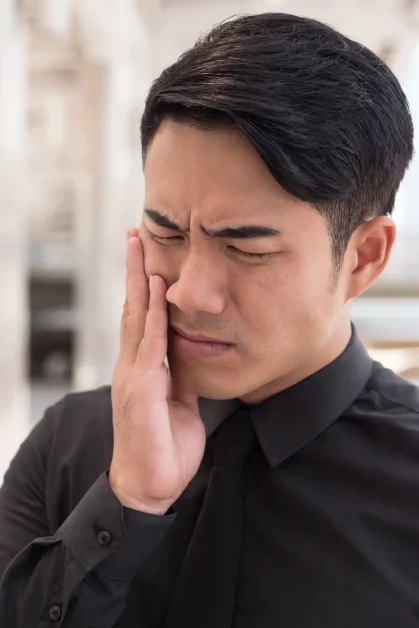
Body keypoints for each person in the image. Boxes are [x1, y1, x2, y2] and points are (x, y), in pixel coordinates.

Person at [1, 11, 418, 628]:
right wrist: (127, 504)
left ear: (363, 257)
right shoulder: (66, 446)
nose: (188, 293)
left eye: (246, 249)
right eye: (164, 232)